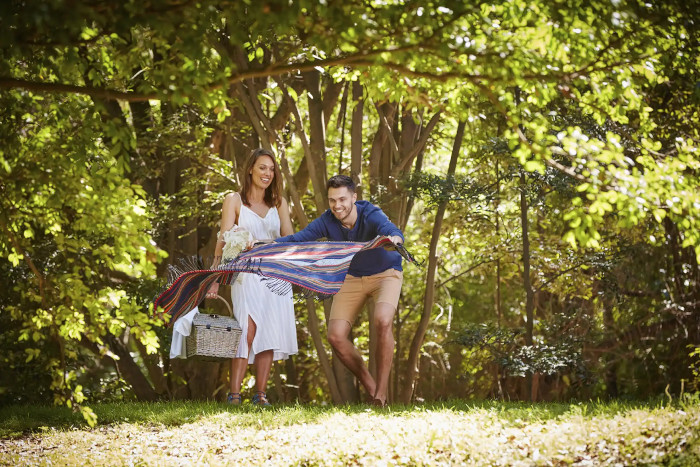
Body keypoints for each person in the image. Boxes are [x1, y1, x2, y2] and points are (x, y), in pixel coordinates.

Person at [276, 174, 404, 406]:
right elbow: (298, 239)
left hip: (386, 274)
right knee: (335, 336)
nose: (337, 205)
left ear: (354, 197)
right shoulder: (327, 220)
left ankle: (381, 394)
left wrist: (394, 238)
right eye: (332, 200)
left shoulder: (370, 213)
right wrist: (262, 247)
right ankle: (371, 386)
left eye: (343, 199)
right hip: (352, 278)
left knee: (383, 321)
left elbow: (390, 228)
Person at [206, 148, 298, 406]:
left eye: (271, 169)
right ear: (250, 169)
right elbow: (223, 240)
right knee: (247, 329)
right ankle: (234, 395)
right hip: (246, 274)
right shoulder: (233, 200)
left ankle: (260, 395)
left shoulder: (278, 203)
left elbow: (289, 238)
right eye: (262, 168)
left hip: (275, 274)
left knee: (269, 330)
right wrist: (214, 277)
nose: (267, 173)